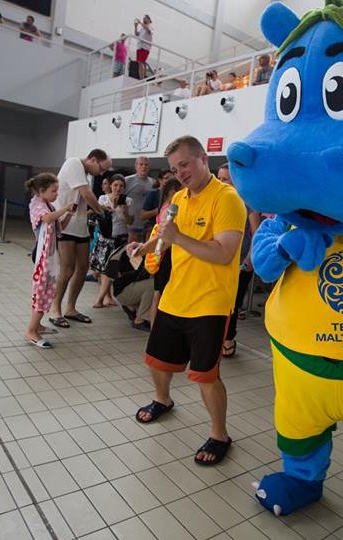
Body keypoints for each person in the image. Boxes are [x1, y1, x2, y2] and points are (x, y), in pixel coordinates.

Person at [128, 136, 246, 466]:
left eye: (185, 164)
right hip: (175, 298)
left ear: (202, 159)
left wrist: (178, 237)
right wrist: (146, 248)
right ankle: (162, 400)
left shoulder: (227, 199)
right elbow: (162, 236)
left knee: (206, 375)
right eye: (174, 168)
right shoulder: (178, 198)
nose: (180, 172)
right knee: (156, 360)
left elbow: (224, 254)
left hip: (209, 303)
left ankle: (220, 434)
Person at [50, 149, 112, 327]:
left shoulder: (86, 174)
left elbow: (82, 202)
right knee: (67, 269)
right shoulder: (74, 163)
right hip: (65, 224)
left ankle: (70, 308)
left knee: (83, 268)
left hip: (80, 227)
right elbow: (85, 193)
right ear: (93, 160)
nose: (101, 173)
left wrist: (101, 208)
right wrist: (101, 212)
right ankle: (55, 309)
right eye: (101, 169)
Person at [216, 162, 263, 358]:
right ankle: (217, 335)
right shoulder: (217, 200)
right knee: (219, 300)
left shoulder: (246, 202)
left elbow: (256, 232)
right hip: (219, 259)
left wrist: (249, 260)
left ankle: (229, 338)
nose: (220, 182)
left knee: (232, 303)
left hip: (240, 262)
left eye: (225, 179)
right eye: (219, 178)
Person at [25, 173, 75, 349]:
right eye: (54, 191)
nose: (56, 194)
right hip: (42, 257)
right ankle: (31, 330)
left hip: (50, 255)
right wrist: (65, 208)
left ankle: (37, 325)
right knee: (42, 292)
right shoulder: (37, 205)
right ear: (41, 191)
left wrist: (68, 213)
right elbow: (46, 219)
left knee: (47, 290)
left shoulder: (49, 204)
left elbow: (59, 226)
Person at [90, 174, 132, 309]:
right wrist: (112, 206)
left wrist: (124, 211)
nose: (118, 188)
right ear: (110, 186)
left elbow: (130, 222)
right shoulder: (103, 198)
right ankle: (107, 297)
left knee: (111, 268)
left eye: (121, 186)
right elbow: (101, 216)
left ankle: (100, 298)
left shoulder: (128, 201)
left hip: (120, 238)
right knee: (103, 269)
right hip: (105, 237)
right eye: (115, 185)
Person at [146, 177, 181, 325]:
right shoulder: (171, 208)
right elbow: (166, 235)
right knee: (160, 294)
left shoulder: (163, 207)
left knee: (157, 293)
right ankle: (156, 327)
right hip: (166, 255)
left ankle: (155, 328)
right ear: (174, 192)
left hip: (159, 255)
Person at [108, 243, 154, 332]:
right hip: (122, 293)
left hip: (127, 289)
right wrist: (104, 296)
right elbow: (109, 274)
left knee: (154, 283)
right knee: (153, 285)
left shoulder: (146, 251)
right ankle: (139, 320)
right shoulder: (129, 252)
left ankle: (131, 307)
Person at [124, 156, 154, 243]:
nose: (143, 167)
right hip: (130, 226)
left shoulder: (153, 182)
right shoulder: (127, 181)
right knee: (131, 253)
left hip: (147, 226)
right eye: (141, 164)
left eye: (146, 165)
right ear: (136, 166)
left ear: (149, 167)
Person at [133, 14, 153, 80]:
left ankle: (142, 78)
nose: (144, 19)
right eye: (143, 18)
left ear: (149, 20)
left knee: (141, 61)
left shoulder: (150, 27)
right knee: (139, 62)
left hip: (145, 48)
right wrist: (135, 26)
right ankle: (141, 77)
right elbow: (136, 34)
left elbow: (148, 30)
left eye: (145, 18)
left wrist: (140, 23)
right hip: (139, 47)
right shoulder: (142, 29)